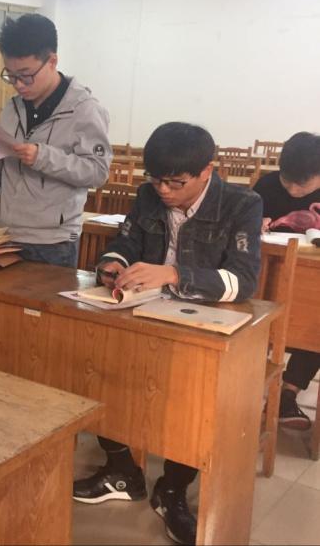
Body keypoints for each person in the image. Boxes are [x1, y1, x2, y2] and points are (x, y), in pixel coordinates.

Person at [73, 122, 262, 546]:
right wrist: (113, 263)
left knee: (193, 399)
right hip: (143, 313)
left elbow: (244, 281)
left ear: (207, 171)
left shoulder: (242, 204)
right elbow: (126, 241)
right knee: (95, 365)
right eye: (156, 179)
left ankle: (173, 488)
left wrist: (174, 274)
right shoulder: (148, 196)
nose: (163, 190)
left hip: (201, 321)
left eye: (176, 183)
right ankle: (121, 469)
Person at [0, 13, 111, 268]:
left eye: (26, 75)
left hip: (52, 241)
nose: (18, 84)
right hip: (4, 232)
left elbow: (97, 172)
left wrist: (42, 156)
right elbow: (5, 168)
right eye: (11, 75)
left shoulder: (84, 109)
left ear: (52, 61)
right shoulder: (12, 108)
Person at [253, 131, 320, 430]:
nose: (293, 190)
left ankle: (286, 395)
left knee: (316, 326)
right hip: (267, 281)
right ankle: (244, 392)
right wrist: (253, 223)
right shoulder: (266, 186)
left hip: (313, 285)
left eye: (302, 184)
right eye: (287, 180)